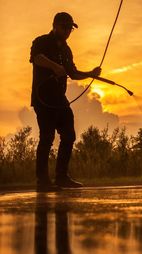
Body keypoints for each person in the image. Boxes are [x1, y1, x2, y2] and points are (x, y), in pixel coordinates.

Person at [30, 12, 101, 191]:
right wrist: (54, 66)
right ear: (55, 26)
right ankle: (42, 181)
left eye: (70, 28)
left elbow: (73, 73)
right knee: (46, 137)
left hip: (59, 99)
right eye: (66, 27)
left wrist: (90, 74)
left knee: (69, 135)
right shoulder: (41, 41)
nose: (69, 31)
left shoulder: (66, 50)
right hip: (43, 98)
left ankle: (61, 177)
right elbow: (37, 58)